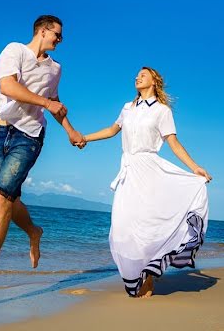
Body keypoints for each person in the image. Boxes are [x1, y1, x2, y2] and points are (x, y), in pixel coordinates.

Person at [0, 15, 86, 311]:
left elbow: (55, 100)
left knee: (1, 200)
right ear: (43, 30)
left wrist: (70, 130)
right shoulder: (14, 51)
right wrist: (47, 104)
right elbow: (8, 87)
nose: (60, 40)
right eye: (57, 34)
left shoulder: (56, 68)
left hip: (30, 136)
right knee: (8, 197)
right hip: (0, 132)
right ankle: (34, 231)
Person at [83, 67, 211, 298]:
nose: (137, 77)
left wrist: (195, 168)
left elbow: (173, 143)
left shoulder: (162, 111)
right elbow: (113, 130)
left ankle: (149, 277)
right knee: (122, 225)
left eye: (143, 74)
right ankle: (138, 272)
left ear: (154, 81)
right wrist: (85, 138)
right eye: (136, 75)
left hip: (150, 170)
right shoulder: (127, 108)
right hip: (129, 171)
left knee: (147, 224)